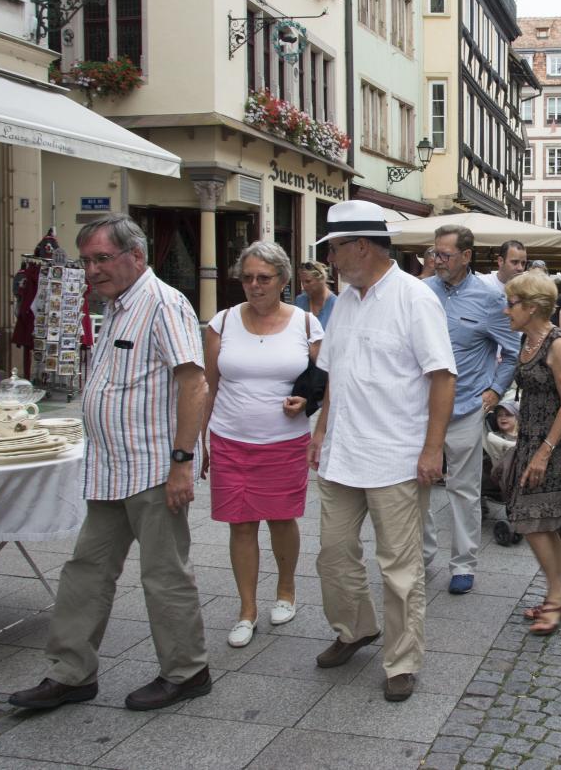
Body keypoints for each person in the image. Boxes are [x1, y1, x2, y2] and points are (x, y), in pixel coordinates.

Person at [10, 215, 211, 712]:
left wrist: (182, 463)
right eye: (87, 261)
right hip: (108, 467)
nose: (92, 270)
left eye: (102, 258)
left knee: (163, 574)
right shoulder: (116, 305)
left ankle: (187, 672)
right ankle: (71, 673)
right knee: (86, 570)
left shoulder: (163, 304)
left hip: (153, 468)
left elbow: (194, 385)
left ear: (136, 257)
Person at [307, 200, 456, 703]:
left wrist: (433, 449)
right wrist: (321, 430)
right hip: (343, 452)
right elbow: (335, 373)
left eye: (335, 248)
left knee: (399, 567)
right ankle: (356, 628)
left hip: (396, 456)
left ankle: (402, 660)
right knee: (333, 553)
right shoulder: (346, 301)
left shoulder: (414, 298)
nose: (330, 259)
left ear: (362, 246)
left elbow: (443, 377)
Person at [202, 241, 323, 648]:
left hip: (284, 441)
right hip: (230, 438)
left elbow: (323, 381)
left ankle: (286, 590)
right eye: (247, 277)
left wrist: (306, 403)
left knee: (281, 519)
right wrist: (199, 440)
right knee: (240, 523)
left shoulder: (305, 324)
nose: (254, 285)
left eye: (264, 278)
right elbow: (208, 386)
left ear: (283, 280)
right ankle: (247, 609)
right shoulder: (222, 323)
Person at [422, 225, 521, 595]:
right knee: (417, 485)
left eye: (445, 254)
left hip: (464, 407)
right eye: (435, 253)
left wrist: (494, 391)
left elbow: (513, 351)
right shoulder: (421, 292)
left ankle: (463, 564)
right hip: (419, 408)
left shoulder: (490, 298)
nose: (437, 260)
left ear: (466, 256)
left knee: (463, 489)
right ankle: (423, 555)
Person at [502, 271, 561, 634]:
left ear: (532, 307)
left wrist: (544, 452)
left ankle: (558, 594)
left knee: (530, 518)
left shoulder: (559, 344)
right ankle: (559, 594)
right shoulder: (527, 340)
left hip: (558, 443)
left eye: (511, 304)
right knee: (539, 520)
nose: (506, 310)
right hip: (532, 438)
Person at [293, 260, 337, 327]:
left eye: (308, 281)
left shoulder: (336, 304)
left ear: (321, 279)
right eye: (302, 282)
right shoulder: (300, 301)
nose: (304, 286)